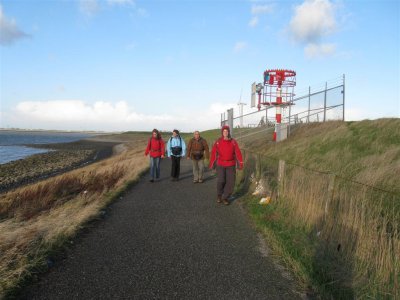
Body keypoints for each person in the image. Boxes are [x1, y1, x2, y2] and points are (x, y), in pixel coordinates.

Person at [209, 125, 243, 205]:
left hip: (231, 164)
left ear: (228, 132)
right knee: (221, 180)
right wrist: (212, 163)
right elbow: (214, 152)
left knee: (231, 182)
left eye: (227, 131)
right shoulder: (218, 142)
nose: (225, 133)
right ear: (222, 132)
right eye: (224, 131)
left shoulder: (233, 142)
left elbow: (238, 153)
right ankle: (219, 195)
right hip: (220, 164)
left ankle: (225, 197)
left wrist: (240, 163)